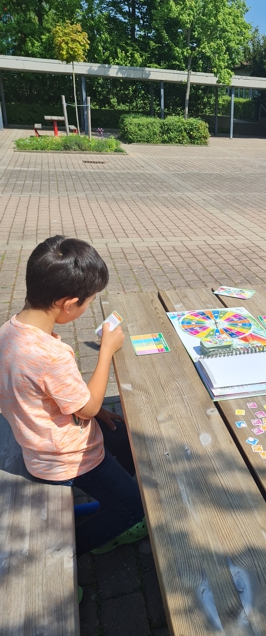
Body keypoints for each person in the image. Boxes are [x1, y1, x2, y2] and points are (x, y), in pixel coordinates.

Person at [0, 235, 147, 559]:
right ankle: (66, 549)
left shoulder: (9, 332)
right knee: (135, 508)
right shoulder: (51, 355)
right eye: (88, 302)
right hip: (67, 458)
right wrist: (106, 350)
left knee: (123, 437)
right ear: (68, 304)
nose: (88, 307)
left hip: (41, 443)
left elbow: (57, 396)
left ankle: (113, 496)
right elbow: (89, 406)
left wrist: (96, 412)